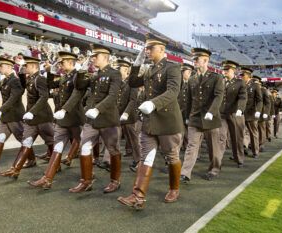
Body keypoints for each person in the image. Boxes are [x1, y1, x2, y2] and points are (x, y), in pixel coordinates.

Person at [118, 35, 183, 209]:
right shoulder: (148, 69)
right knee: (145, 156)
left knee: (172, 157)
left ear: (162, 49)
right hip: (149, 121)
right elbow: (132, 82)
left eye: (150, 48)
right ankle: (137, 195)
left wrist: (153, 103)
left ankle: (174, 189)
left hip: (167, 121)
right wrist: (137, 64)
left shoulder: (172, 68)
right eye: (146, 48)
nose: (147, 51)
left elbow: (173, 92)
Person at [69, 44, 122, 194]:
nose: (92, 59)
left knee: (113, 150)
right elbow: (79, 86)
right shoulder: (95, 75)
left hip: (107, 119)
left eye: (95, 56)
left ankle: (115, 180)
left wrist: (98, 109)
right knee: (84, 148)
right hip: (92, 121)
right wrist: (81, 71)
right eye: (92, 56)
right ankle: (86, 181)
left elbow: (112, 96)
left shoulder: (114, 74)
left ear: (105, 57)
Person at [28, 51, 85, 189]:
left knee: (84, 148)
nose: (60, 64)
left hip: (74, 118)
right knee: (58, 146)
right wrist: (51, 72)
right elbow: (50, 85)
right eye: (59, 62)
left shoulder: (78, 76)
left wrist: (64, 110)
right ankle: (47, 178)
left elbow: (76, 95)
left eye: (62, 62)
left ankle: (87, 176)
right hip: (63, 120)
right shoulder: (65, 77)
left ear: (71, 62)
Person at [0, 56, 55, 179]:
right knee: (26, 142)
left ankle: (56, 164)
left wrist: (32, 112)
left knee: (50, 142)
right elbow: (21, 85)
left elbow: (44, 97)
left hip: (43, 117)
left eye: (26, 65)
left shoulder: (40, 79)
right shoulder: (31, 78)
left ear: (33, 66)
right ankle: (15, 169)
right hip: (31, 119)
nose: (24, 67)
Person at [179, 48, 224, 182]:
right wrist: (187, 116)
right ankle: (185, 173)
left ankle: (214, 169)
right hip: (195, 118)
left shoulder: (216, 77)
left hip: (210, 118)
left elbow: (218, 96)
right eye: (194, 59)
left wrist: (211, 112)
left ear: (205, 61)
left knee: (214, 148)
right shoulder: (192, 79)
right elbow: (189, 100)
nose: (194, 62)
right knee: (191, 146)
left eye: (196, 59)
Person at [218, 60, 247, 168]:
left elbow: (243, 97)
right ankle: (217, 161)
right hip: (222, 114)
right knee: (220, 138)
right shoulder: (220, 81)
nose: (224, 72)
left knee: (236, 138)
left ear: (233, 71)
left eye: (227, 70)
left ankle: (239, 158)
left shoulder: (240, 83)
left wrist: (240, 109)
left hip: (235, 114)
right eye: (224, 70)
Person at [241, 68, 262, 158]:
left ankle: (255, 152)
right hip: (241, 113)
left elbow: (259, 100)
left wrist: (258, 111)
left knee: (253, 133)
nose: (241, 77)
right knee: (241, 133)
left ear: (248, 75)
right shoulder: (241, 84)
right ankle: (243, 149)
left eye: (243, 75)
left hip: (251, 113)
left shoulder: (255, 85)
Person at [178, 63, 193, 151]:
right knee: (180, 132)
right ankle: (177, 149)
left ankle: (188, 148)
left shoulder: (191, 84)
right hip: (179, 112)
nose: (189, 74)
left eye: (190, 73)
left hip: (188, 112)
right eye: (187, 72)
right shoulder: (178, 83)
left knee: (188, 133)